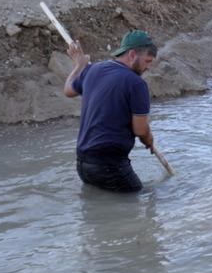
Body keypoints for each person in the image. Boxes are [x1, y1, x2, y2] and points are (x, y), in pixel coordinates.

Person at [63, 30, 158, 193]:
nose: (148, 67)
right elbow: (140, 129)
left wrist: (79, 66)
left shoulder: (93, 70)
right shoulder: (136, 84)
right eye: (147, 61)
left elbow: (68, 90)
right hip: (109, 166)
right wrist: (148, 138)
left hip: (83, 165)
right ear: (133, 54)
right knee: (140, 200)